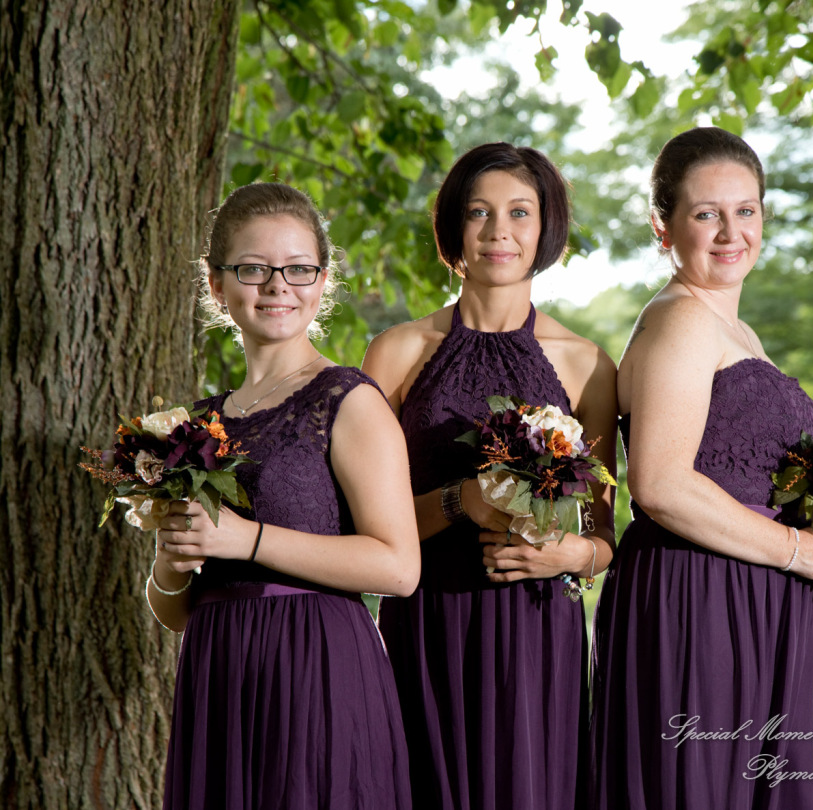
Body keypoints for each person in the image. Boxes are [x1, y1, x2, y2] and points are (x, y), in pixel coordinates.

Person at [588, 127, 813, 809]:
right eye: (707, 213)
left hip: (758, 595)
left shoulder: (738, 332)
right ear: (663, 227)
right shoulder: (680, 319)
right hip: (700, 600)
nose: (730, 231)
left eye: (746, 210)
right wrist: (797, 550)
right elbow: (659, 484)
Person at [361, 143, 617, 810]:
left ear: (545, 229)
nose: (499, 230)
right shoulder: (395, 353)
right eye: (478, 212)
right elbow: (362, 527)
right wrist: (460, 501)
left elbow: (604, 536)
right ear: (453, 229)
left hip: (539, 631)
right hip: (427, 624)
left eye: (519, 212)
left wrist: (569, 554)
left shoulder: (588, 366)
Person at [149, 182, 420, 809]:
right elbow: (178, 608)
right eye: (254, 269)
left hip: (318, 671)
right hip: (218, 673)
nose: (278, 286)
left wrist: (247, 539)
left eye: (298, 269)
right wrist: (170, 562)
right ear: (217, 285)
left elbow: (399, 567)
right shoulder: (198, 424)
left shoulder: (349, 400)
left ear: (322, 281)